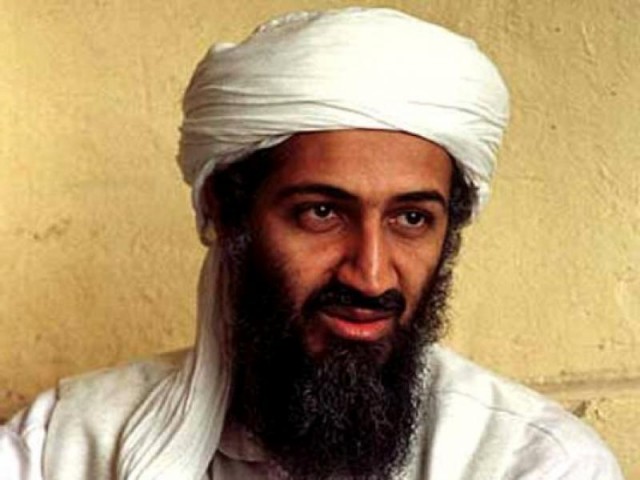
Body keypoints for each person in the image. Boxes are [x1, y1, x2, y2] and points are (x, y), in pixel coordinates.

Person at [0, 7, 624, 480]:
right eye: (321, 213)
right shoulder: (64, 446)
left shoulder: (530, 462)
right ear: (226, 210)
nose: (371, 275)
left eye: (411, 219)